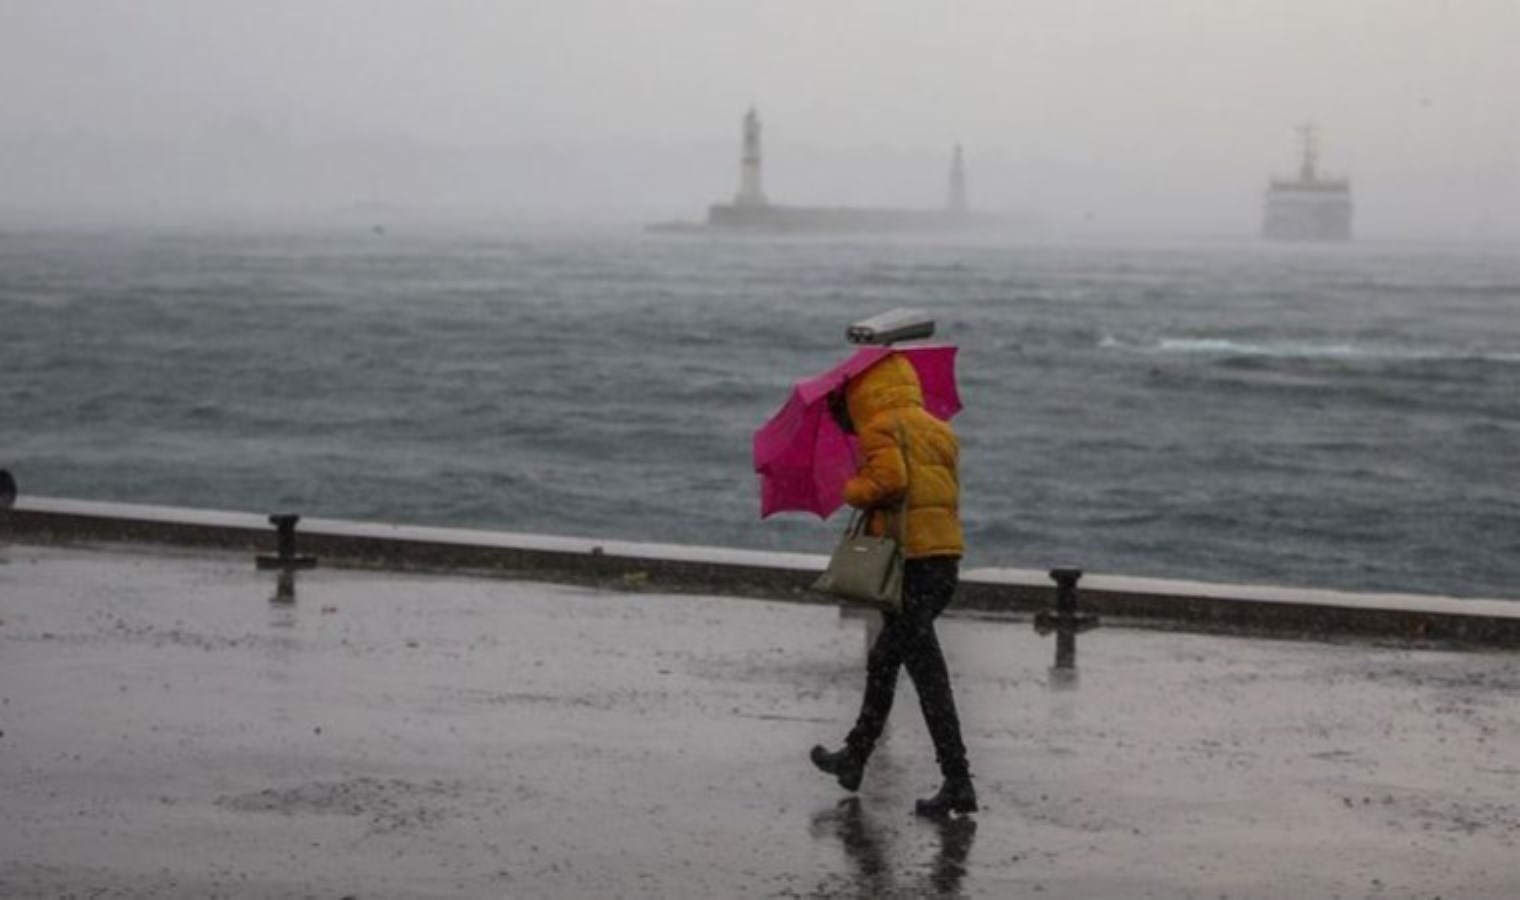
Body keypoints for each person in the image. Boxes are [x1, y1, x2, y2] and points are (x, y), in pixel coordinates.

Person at [812, 353, 976, 817]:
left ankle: (951, 778)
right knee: (908, 667)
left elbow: (890, 481)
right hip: (943, 561)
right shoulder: (938, 429)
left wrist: (852, 489)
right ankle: (859, 759)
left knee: (901, 666)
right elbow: (935, 491)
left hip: (910, 566)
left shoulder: (881, 428)